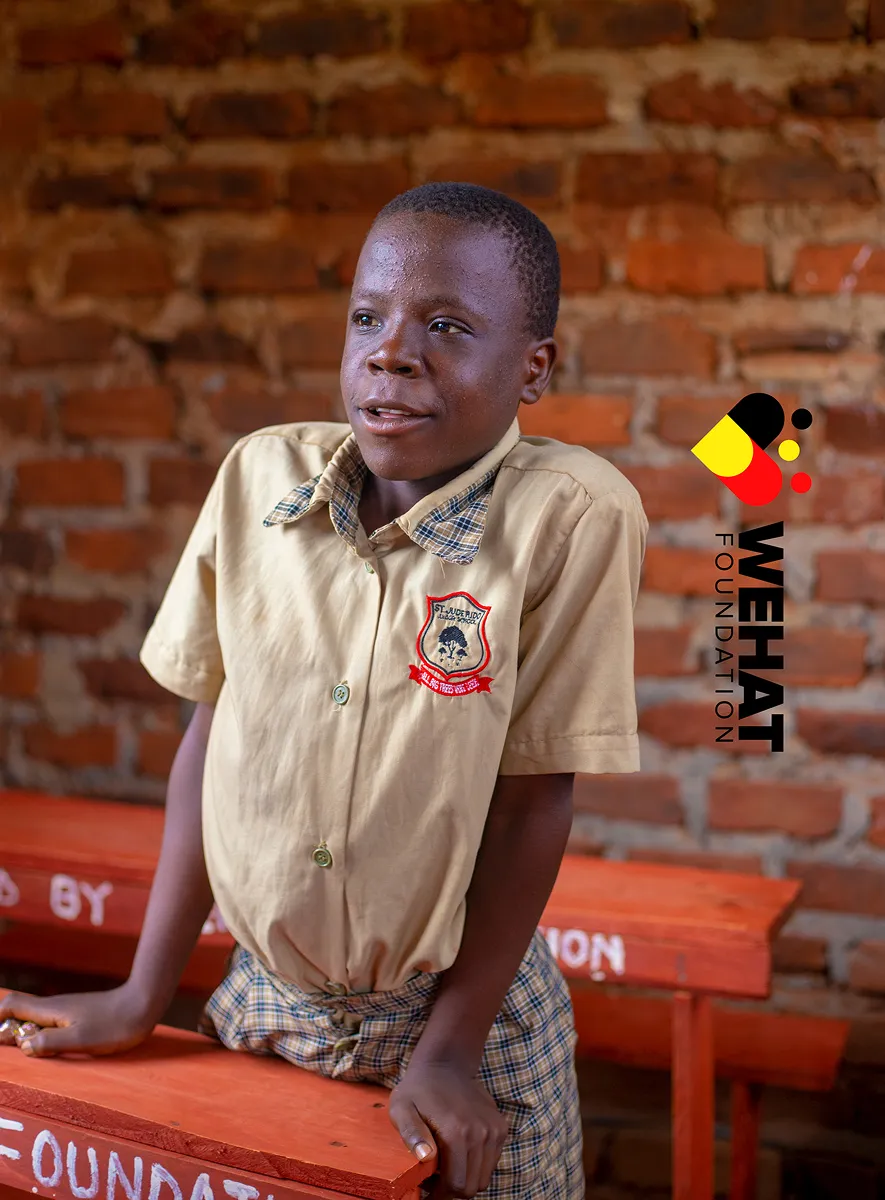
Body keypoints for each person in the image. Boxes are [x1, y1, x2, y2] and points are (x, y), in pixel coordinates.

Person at [0, 182, 647, 1200]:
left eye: (446, 326)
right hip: (259, 1011)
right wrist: (141, 992)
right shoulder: (259, 480)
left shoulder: (569, 518)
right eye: (366, 318)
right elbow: (211, 744)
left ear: (534, 367)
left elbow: (534, 801)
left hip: (462, 1029)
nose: (391, 353)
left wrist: (448, 1051)